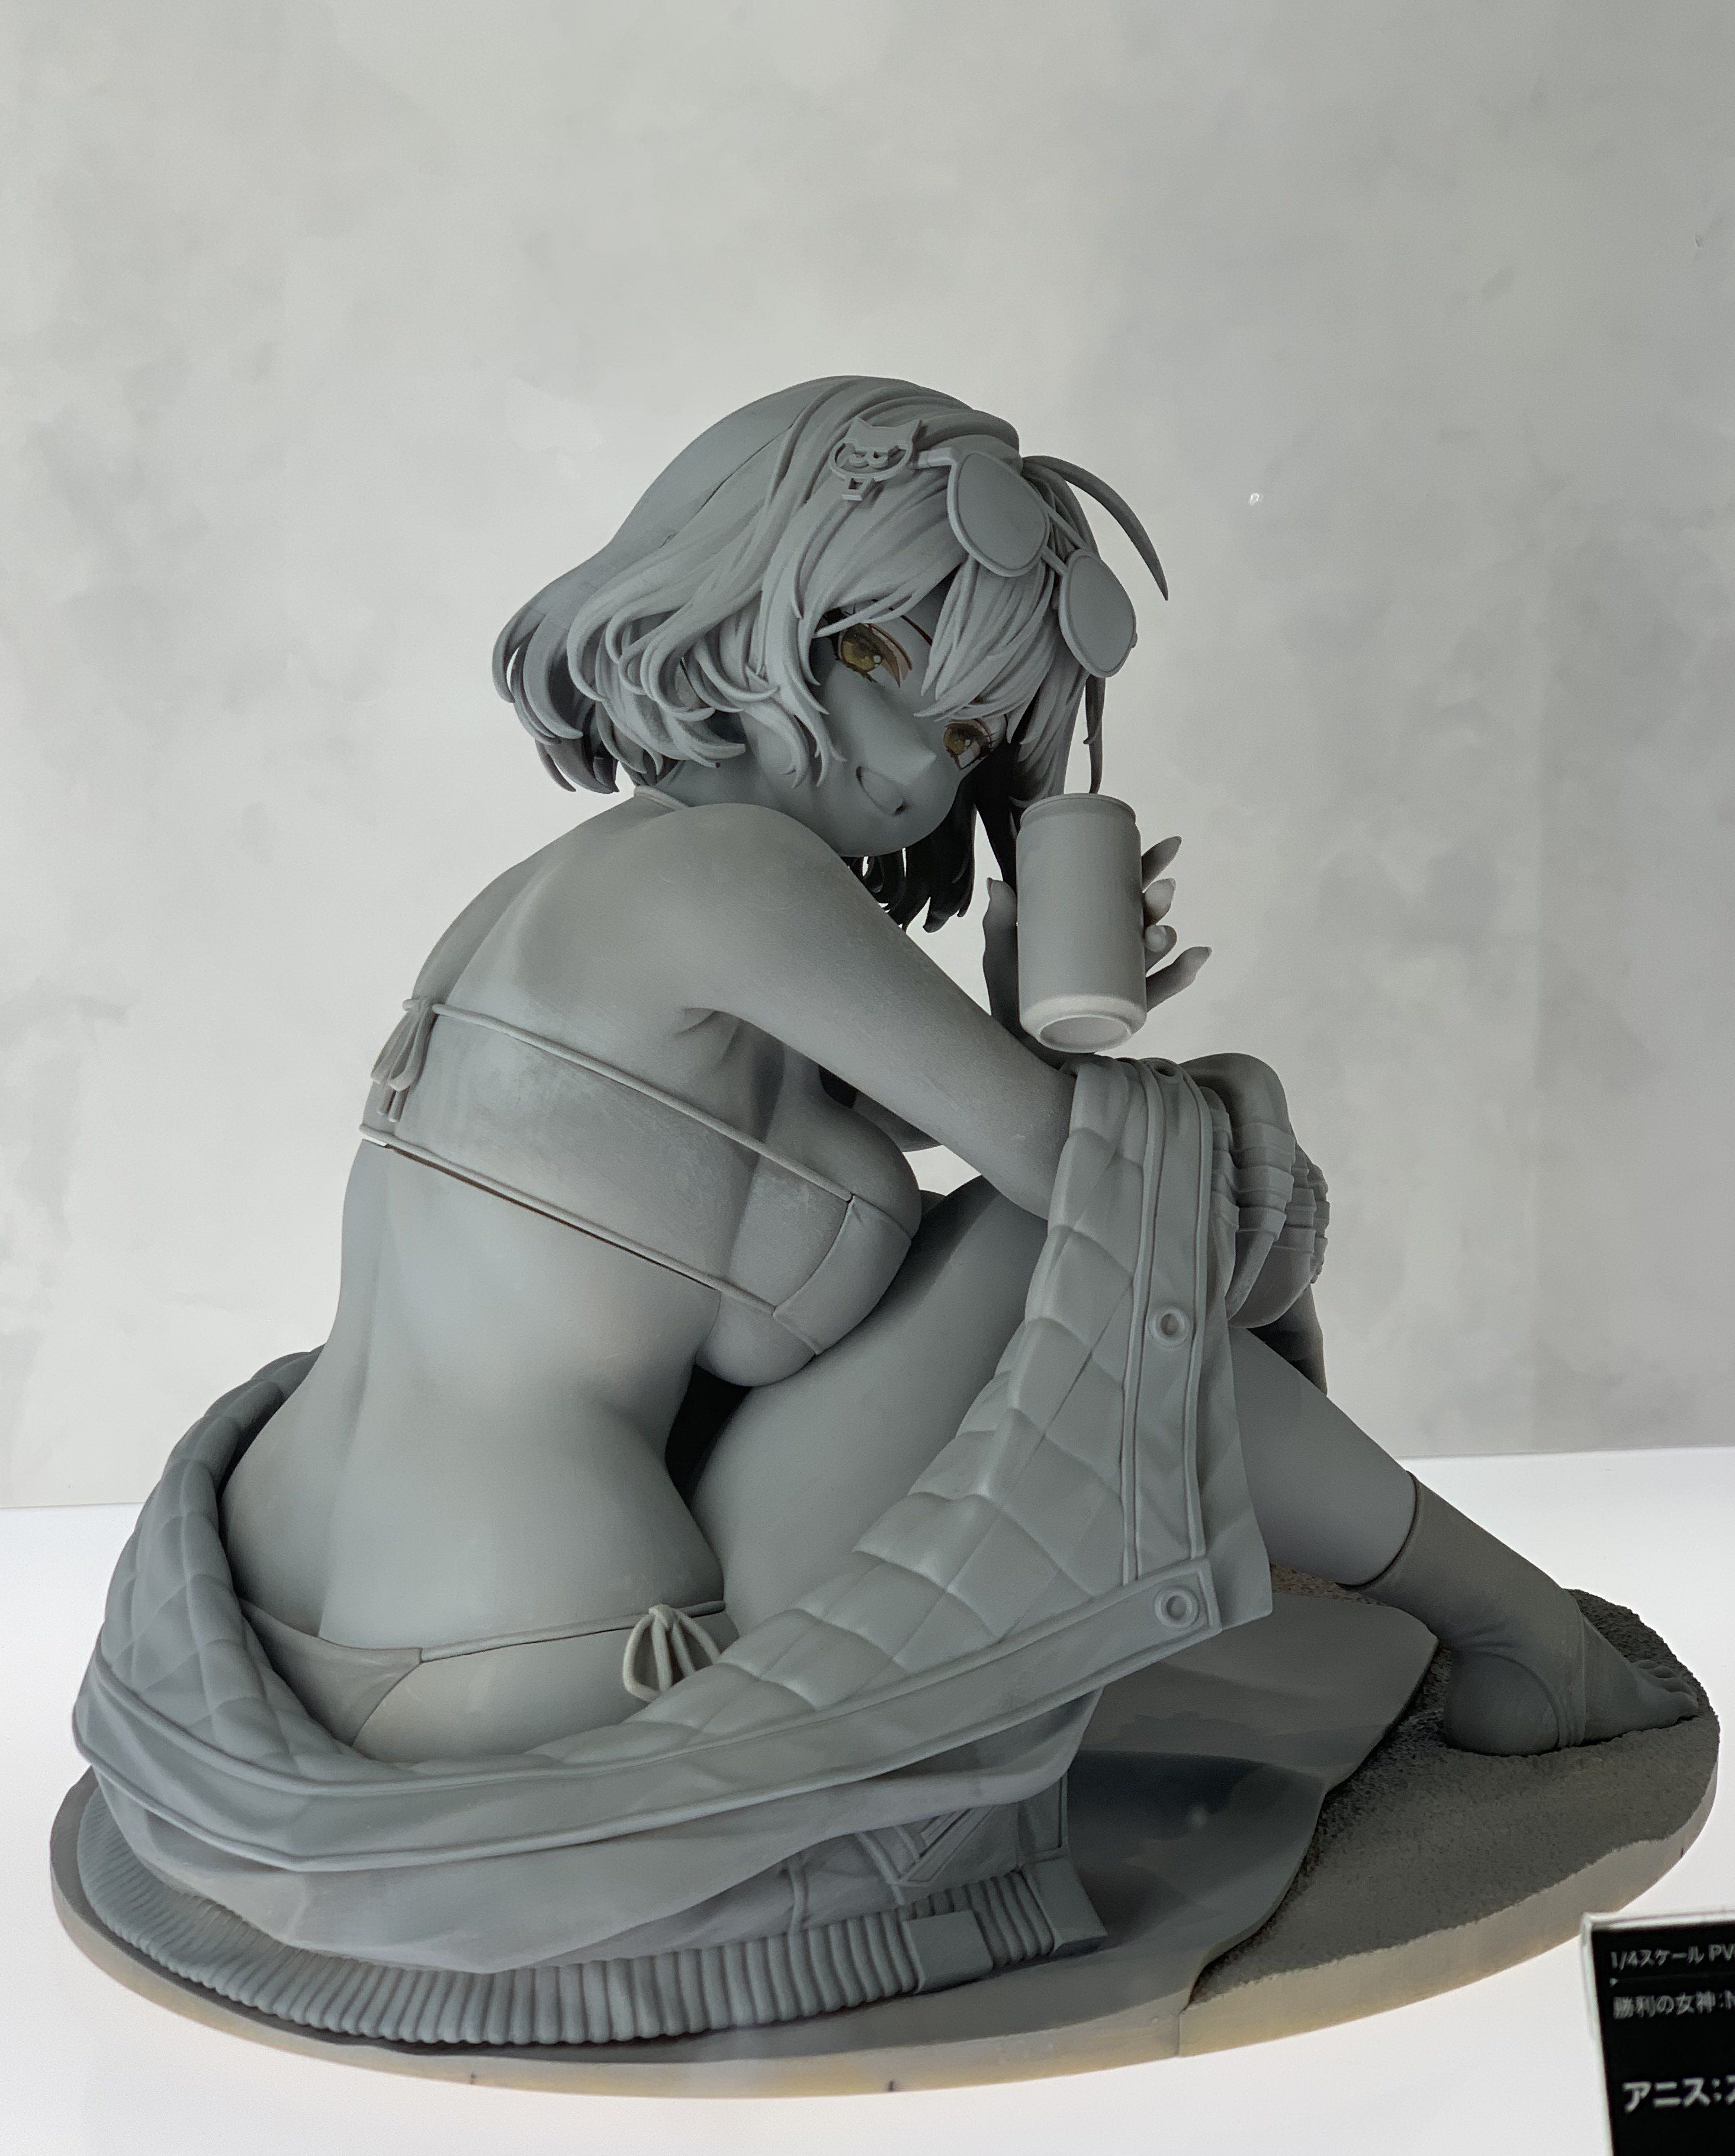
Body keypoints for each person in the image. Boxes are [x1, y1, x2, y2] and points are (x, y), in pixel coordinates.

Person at [219, 376, 1693, 1768]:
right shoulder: (735, 874)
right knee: (1066, 1244)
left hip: (299, 1606)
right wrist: (1214, 1117)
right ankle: (1521, 1632)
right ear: (745, 588)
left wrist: (1011, 1025)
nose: (923, 769)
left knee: (1075, 1225)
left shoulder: (550, 900)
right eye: (878, 659)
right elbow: (1078, 1181)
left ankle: (1497, 1625)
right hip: (552, 1647)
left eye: (973, 732)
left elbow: (791, 1179)